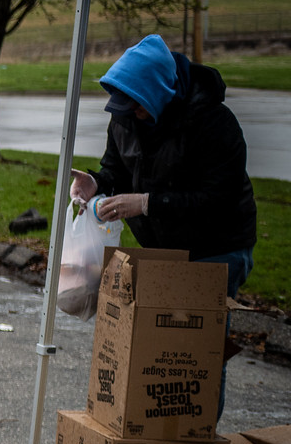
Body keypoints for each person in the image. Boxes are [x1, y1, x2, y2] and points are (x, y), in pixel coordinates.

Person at [69, 33, 256, 297]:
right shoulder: (126, 118)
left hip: (217, 246)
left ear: (158, 92)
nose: (131, 112)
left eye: (136, 105)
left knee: (198, 332)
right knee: (163, 330)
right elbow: (117, 168)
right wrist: (98, 182)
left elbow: (218, 198)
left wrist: (147, 204)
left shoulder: (214, 124)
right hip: (164, 246)